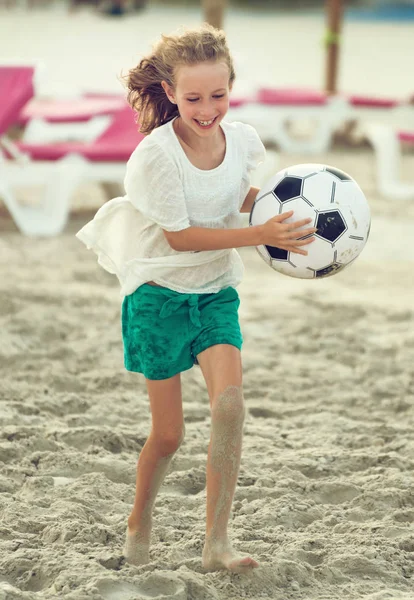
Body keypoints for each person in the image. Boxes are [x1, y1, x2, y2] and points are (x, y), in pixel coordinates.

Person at [76, 23, 316, 573]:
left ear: (232, 87)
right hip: (158, 298)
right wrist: (260, 236)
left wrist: (278, 215)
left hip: (214, 294)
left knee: (230, 406)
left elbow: (235, 194)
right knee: (168, 435)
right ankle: (140, 520)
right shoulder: (155, 158)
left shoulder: (244, 141)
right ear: (168, 91)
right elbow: (180, 237)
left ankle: (217, 544)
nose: (208, 109)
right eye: (193, 98)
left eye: (219, 95)